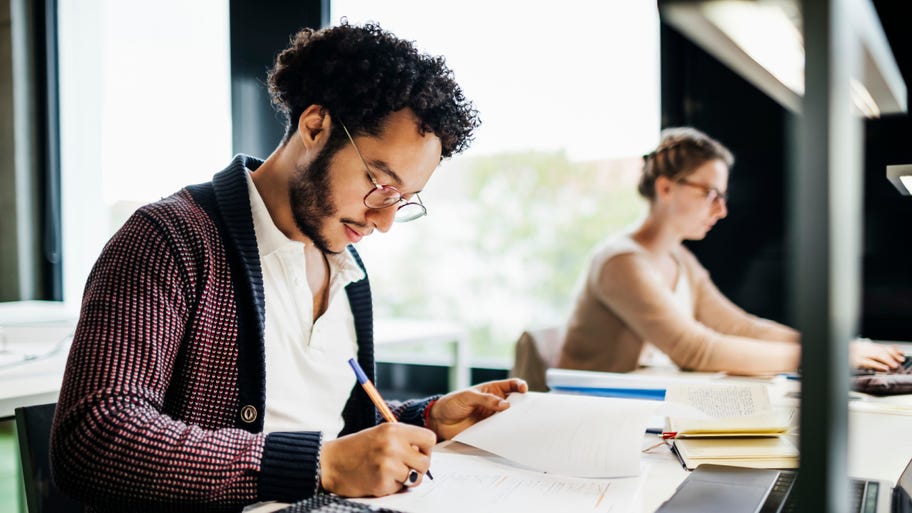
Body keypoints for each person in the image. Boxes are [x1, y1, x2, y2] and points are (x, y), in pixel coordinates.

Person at [49, 22, 527, 512]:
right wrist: (322, 466)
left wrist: (426, 419)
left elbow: (333, 429)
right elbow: (93, 440)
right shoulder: (170, 239)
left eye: (404, 200)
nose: (384, 221)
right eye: (380, 184)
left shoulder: (346, 268)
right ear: (315, 126)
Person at [558, 127, 904, 376]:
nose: (721, 210)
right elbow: (696, 349)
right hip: (595, 417)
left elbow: (739, 326)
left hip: (638, 411)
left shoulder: (679, 259)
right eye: (711, 194)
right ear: (666, 188)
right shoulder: (621, 262)